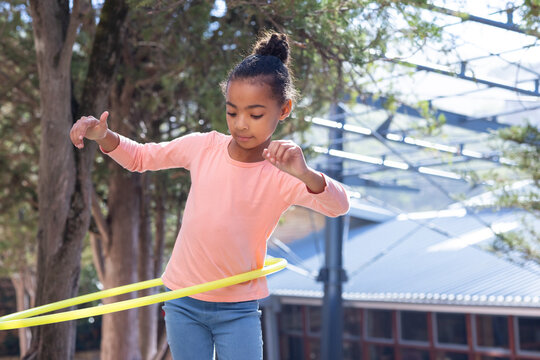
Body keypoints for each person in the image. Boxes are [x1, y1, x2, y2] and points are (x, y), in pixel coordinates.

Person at [70, 32, 349, 360]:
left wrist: (306, 175)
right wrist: (104, 136)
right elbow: (141, 157)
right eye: (232, 112)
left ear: (284, 109)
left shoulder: (283, 172)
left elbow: (339, 206)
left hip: (238, 308)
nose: (241, 124)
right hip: (183, 299)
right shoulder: (203, 146)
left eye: (255, 115)